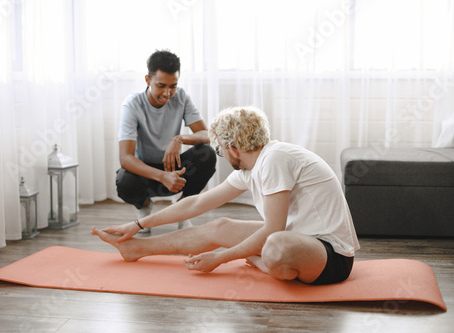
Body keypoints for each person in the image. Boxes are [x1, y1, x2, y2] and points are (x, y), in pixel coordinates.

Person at [95, 106, 360, 285]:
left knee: (276, 245)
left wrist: (220, 258)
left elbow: (274, 229)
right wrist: (138, 224)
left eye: (220, 149)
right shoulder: (251, 167)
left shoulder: (275, 159)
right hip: (299, 237)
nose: (221, 155)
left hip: (332, 255)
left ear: (233, 148)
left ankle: (264, 264)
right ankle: (136, 248)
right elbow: (196, 203)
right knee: (220, 226)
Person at [116, 50, 216, 232]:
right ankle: (144, 207)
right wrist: (162, 176)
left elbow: (207, 134)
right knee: (124, 180)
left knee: (207, 154)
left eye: (173, 86)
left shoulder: (181, 97)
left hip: (175, 169)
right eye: (161, 85)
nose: (168, 93)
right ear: (147, 80)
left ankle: (183, 209)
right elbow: (125, 158)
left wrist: (179, 139)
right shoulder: (132, 105)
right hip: (147, 174)